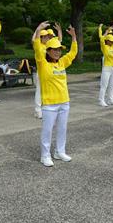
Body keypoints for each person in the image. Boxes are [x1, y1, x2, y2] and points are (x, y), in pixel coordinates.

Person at [33, 21, 77, 167]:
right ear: (48, 50)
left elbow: (72, 53)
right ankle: (45, 155)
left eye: (59, 50)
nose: (58, 52)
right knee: (47, 131)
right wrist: (39, 30)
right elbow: (38, 47)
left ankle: (60, 151)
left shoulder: (62, 62)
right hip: (49, 104)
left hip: (64, 102)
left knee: (62, 129)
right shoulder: (42, 63)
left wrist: (74, 38)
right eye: (55, 49)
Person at [32, 23, 62, 119]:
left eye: (47, 36)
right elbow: (33, 40)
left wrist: (59, 31)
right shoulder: (38, 46)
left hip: (49, 72)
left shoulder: (49, 46)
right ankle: (38, 111)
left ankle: (46, 109)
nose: (46, 38)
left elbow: (59, 40)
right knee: (39, 91)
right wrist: (38, 28)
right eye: (43, 36)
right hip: (40, 72)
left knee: (47, 91)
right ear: (40, 37)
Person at [98, 23, 113, 107]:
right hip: (106, 68)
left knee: (111, 85)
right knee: (104, 85)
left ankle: (110, 99)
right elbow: (101, 39)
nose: (112, 42)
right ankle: (101, 100)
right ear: (107, 41)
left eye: (112, 41)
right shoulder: (104, 47)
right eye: (110, 41)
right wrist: (106, 31)